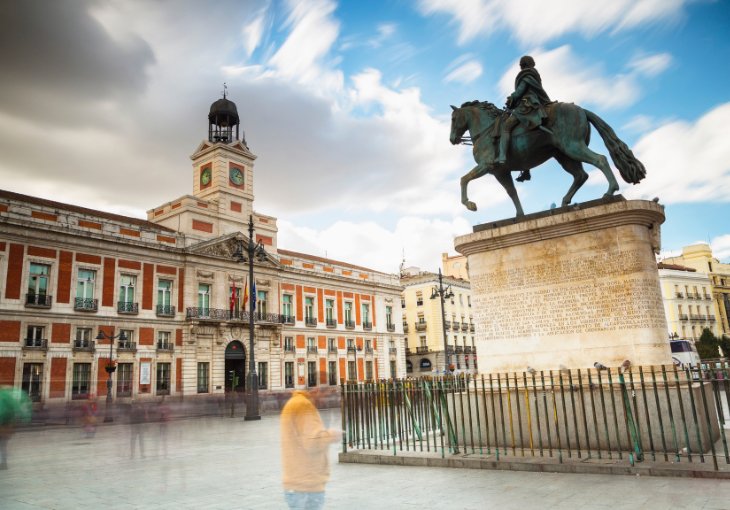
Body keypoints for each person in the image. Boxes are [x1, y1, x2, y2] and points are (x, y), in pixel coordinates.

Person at [280, 387, 341, 510]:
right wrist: (333, 435)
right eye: (326, 395)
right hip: (307, 485)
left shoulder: (294, 402)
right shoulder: (304, 406)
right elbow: (312, 442)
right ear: (317, 390)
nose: (326, 400)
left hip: (296, 482)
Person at [497, 55, 552, 182]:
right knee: (523, 134)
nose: (520, 67)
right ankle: (525, 170)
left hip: (527, 106)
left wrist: (511, 98)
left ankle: (502, 156)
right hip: (534, 104)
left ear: (523, 64)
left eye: (521, 64)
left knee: (506, 127)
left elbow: (520, 91)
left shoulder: (526, 75)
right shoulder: (534, 74)